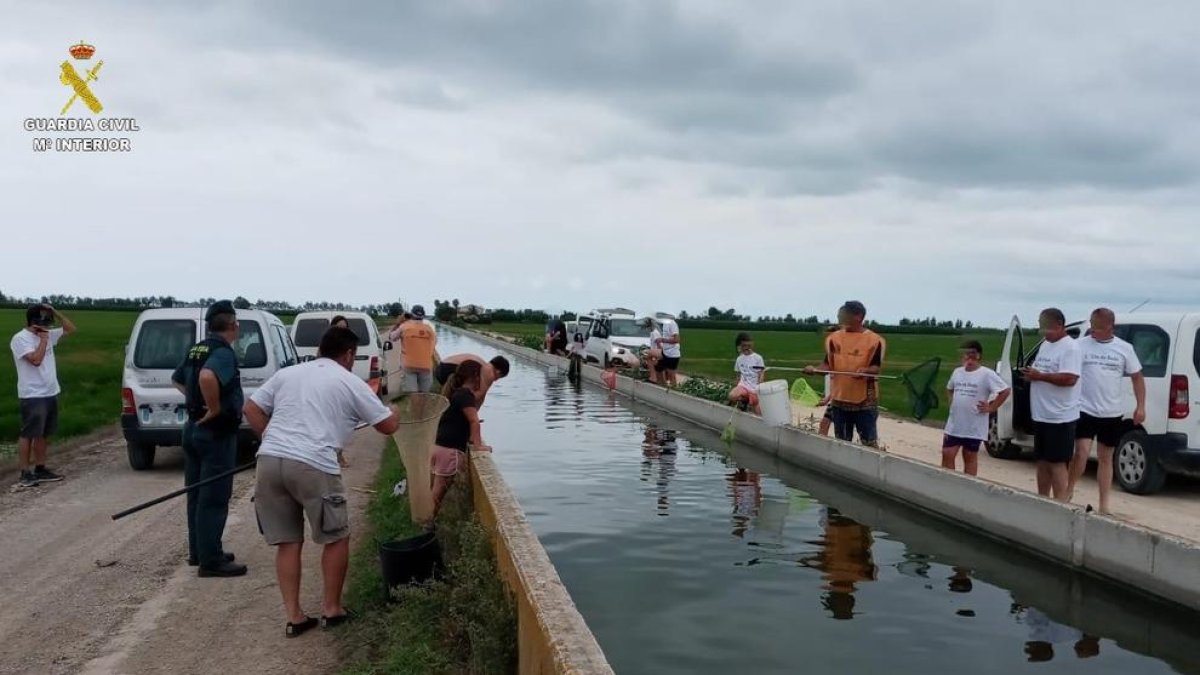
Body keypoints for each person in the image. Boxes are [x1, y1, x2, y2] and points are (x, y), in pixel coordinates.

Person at [244, 327, 400, 637]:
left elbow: (251, 408)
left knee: (287, 543)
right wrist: (394, 412)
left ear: (320, 349)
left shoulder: (289, 374)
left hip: (269, 460)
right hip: (314, 464)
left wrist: (272, 439)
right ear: (348, 354)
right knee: (336, 537)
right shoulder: (349, 381)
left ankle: (295, 617)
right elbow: (386, 426)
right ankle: (332, 609)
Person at [171, 300, 246, 577]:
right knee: (213, 496)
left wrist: (195, 404)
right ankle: (211, 560)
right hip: (215, 433)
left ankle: (199, 550)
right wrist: (213, 408)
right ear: (232, 325)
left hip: (192, 429)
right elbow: (206, 375)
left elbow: (177, 379)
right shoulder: (222, 353)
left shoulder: (197, 348)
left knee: (196, 493)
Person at [1068, 308, 1146, 513]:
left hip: (1111, 411)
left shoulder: (1125, 349)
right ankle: (1068, 489)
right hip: (1084, 408)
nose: (1093, 332)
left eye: (1098, 328)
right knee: (1082, 453)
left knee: (1106, 458)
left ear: (1110, 326)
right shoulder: (1080, 346)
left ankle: (1104, 505)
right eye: (1091, 327)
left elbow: (1137, 377)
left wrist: (1141, 406)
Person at [10, 304, 75, 488]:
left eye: (48, 323)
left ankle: (40, 468)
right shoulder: (20, 339)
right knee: (29, 433)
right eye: (43, 323)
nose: (47, 327)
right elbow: (36, 360)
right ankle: (24, 472)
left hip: (50, 391)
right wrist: (44, 340)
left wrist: (54, 311)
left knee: (43, 433)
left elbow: (70, 328)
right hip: (32, 394)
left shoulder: (47, 332)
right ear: (33, 323)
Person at [805, 301, 885, 448]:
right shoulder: (833, 339)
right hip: (839, 401)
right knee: (841, 443)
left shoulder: (875, 340)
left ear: (858, 316)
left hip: (865, 403)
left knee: (869, 444)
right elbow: (827, 365)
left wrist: (865, 371)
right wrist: (815, 370)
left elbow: (875, 368)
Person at [1022, 307, 1082, 501]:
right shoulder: (1046, 345)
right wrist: (1032, 375)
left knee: (1057, 463)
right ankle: (1042, 499)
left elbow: (1070, 378)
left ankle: (1061, 502)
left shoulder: (1070, 348)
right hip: (1041, 413)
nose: (1043, 332)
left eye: (1046, 328)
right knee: (1042, 461)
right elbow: (1041, 371)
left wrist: (1040, 376)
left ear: (1059, 325)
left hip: (1060, 416)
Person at [430, 360, 491, 515]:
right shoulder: (466, 395)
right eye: (482, 376)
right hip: (449, 449)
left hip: (438, 445)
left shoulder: (456, 393)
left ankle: (424, 521)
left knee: (433, 489)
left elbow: (458, 418)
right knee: (438, 493)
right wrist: (478, 446)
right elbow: (474, 420)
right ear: (475, 377)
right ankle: (426, 525)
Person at [943, 340, 1011, 476]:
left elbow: (1005, 390)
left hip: (974, 424)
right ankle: (948, 481)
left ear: (978, 355)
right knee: (948, 453)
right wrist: (952, 403)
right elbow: (949, 388)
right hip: (955, 423)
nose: (968, 357)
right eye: (965, 354)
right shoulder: (957, 372)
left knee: (969, 456)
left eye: (972, 354)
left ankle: (969, 484)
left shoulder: (986, 374)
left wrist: (992, 407)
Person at [434, 353, 510, 407]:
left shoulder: (482, 363)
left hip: (441, 366)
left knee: (454, 395)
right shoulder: (490, 372)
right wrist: (474, 417)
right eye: (498, 378)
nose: (495, 380)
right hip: (451, 368)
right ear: (498, 372)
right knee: (463, 398)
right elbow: (480, 396)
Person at [397, 305, 437, 393]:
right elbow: (434, 344)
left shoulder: (404, 326)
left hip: (409, 365)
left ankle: (414, 405)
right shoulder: (430, 329)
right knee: (425, 395)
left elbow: (392, 337)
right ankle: (423, 406)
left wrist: (399, 322)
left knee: (412, 395)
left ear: (411, 314)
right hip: (426, 366)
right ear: (423, 315)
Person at [729, 332, 766, 415]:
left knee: (759, 415)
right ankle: (744, 401)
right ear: (740, 346)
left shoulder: (758, 358)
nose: (747, 348)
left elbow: (761, 374)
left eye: (749, 346)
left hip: (754, 388)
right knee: (732, 395)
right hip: (743, 387)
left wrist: (759, 388)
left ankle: (749, 402)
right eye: (744, 346)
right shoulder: (739, 359)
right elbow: (738, 376)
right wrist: (736, 386)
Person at [655, 316, 682, 387]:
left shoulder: (672, 324)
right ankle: (662, 386)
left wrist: (662, 340)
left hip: (672, 353)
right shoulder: (665, 324)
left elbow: (677, 340)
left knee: (671, 375)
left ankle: (674, 391)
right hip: (665, 352)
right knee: (658, 368)